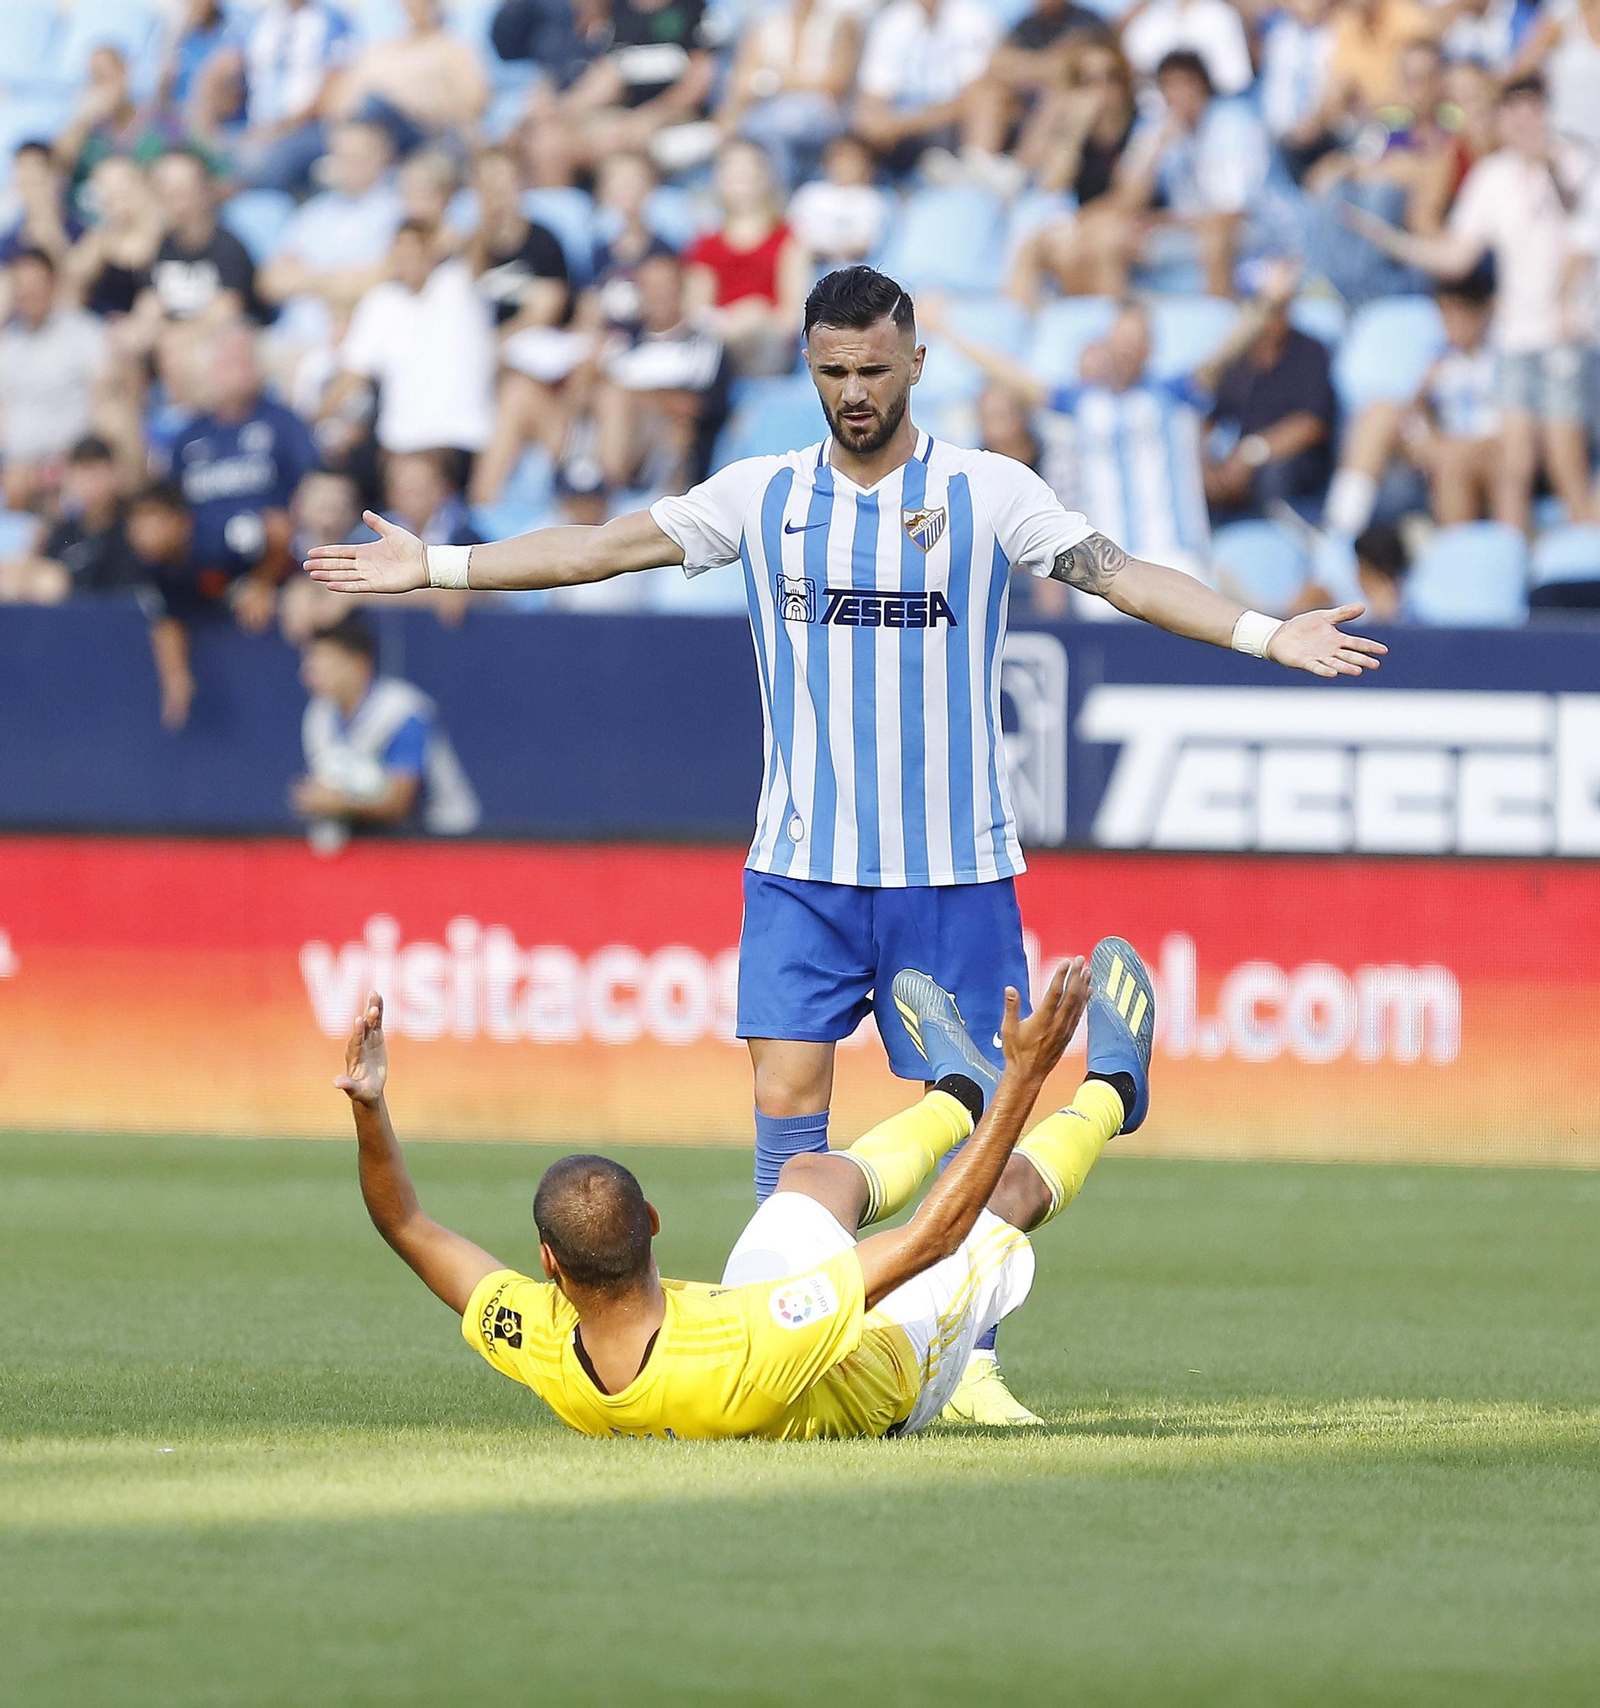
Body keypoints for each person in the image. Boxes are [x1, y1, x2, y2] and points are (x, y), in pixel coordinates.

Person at [306, 264, 1385, 1422]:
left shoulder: (985, 492)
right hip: (803, 866)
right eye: (832, 372)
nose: (854, 391)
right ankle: (792, 1324)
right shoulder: (763, 495)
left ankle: (962, 1356)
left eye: (873, 369)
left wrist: (1267, 633)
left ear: (917, 363)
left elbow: (1120, 577)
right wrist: (439, 565)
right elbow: (601, 546)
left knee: (975, 1124)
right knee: (789, 1107)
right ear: (809, 369)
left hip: (955, 866)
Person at [336, 940, 1149, 1439]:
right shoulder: (750, 1346)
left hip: (754, 1314)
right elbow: (930, 1237)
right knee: (994, 1203)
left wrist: (372, 1106)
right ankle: (1113, 1089)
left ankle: (954, 1095)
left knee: (808, 1178)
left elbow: (407, 1223)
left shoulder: (543, 1338)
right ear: (652, 1222)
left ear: (549, 1265)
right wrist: (1026, 1077)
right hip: (885, 1377)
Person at [1345, 76, 1599, 528]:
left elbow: (1583, 242)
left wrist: (1561, 301)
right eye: (1514, 112)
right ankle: (1515, 567)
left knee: (1565, 462)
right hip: (1516, 338)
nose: (1523, 123)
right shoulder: (1492, 176)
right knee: (1513, 465)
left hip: (1568, 335)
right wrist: (1392, 242)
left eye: (1533, 111)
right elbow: (1457, 256)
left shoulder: (1576, 162)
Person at [167, 326, 321, 634]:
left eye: (244, 361)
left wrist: (263, 580)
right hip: (201, 568)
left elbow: (308, 496)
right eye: (227, 362)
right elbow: (173, 509)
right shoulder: (189, 436)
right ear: (210, 372)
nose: (236, 371)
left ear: (259, 368)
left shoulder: (283, 424)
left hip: (273, 564)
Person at [1325, 277, 1502, 536]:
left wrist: (1440, 446)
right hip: (1439, 450)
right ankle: (1340, 529)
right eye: (1445, 317)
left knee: (1452, 464)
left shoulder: (1500, 362)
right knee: (1379, 412)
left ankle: (1455, 552)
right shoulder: (1442, 361)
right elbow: (1417, 413)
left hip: (1483, 457)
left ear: (1481, 314)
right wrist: (1420, 409)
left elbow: (1507, 441)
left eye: (1458, 318)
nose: (1450, 328)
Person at [321, 222, 496, 472]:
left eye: (417, 251)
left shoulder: (459, 284)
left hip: (461, 439)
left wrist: (452, 240)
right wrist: (311, 422)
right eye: (401, 253)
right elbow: (352, 374)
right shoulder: (380, 302)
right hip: (399, 444)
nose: (409, 261)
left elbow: (483, 240)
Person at [295, 613, 481, 844]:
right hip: (378, 841)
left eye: (323, 661)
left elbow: (398, 804)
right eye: (310, 661)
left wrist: (335, 802)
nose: (309, 672)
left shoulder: (402, 710)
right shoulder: (319, 715)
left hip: (445, 838)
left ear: (358, 664)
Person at [258, 120, 403, 353]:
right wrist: (340, 281)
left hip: (361, 346)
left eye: (357, 157)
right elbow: (270, 282)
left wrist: (307, 279)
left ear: (383, 157)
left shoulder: (398, 212)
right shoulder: (312, 213)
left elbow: (385, 280)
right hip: (293, 344)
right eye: (341, 156)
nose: (348, 166)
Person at [1202, 270, 1336, 522]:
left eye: (1279, 307)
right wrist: (1206, 463)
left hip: (1286, 462)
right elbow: (1211, 416)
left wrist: (1251, 453)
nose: (1272, 317)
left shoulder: (1309, 351)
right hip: (1235, 464)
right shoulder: (1238, 358)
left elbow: (1312, 424)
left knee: (1275, 474)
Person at [683, 141, 805, 377]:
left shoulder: (787, 238)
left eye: (747, 168)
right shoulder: (706, 244)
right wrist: (736, 320)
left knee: (755, 316)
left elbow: (792, 316)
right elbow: (697, 313)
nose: (739, 176)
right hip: (720, 345)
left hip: (770, 343)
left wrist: (755, 317)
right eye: (730, 168)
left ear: (765, 176)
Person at [0, 249, 108, 511]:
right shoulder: (7, 346)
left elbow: (102, 396)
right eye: (22, 287)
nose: (29, 294)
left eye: (35, 285)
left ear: (53, 284)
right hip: (20, 466)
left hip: (74, 456)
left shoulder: (84, 332)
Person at [718, 0, 863, 190]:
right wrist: (793, 81)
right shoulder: (767, 23)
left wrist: (776, 80)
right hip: (770, 112)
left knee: (782, 124)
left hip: (821, 113)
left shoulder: (841, 22)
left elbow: (836, 82)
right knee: (752, 129)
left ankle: (779, 197)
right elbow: (742, 83)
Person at [854, 0, 1003, 179]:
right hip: (907, 130)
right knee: (864, 127)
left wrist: (902, 123)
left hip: (952, 126)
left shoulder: (972, 16)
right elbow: (871, 103)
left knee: (988, 99)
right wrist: (896, 124)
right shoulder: (891, 21)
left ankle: (977, 176)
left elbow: (974, 96)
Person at [327, 0, 489, 156]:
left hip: (423, 133)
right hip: (371, 125)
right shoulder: (382, 49)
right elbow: (343, 100)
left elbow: (474, 101)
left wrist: (414, 103)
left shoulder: (452, 49)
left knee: (374, 107)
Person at [0, 435, 140, 605]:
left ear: (113, 473)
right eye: (82, 472)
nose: (89, 483)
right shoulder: (62, 532)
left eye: (96, 473)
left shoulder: (132, 531)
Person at [787, 133, 894, 272]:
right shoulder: (809, 193)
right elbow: (792, 237)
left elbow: (863, 246)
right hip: (810, 271)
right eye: (840, 159)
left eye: (853, 160)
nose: (845, 166)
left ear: (868, 166)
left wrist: (820, 245)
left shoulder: (876, 200)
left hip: (859, 274)